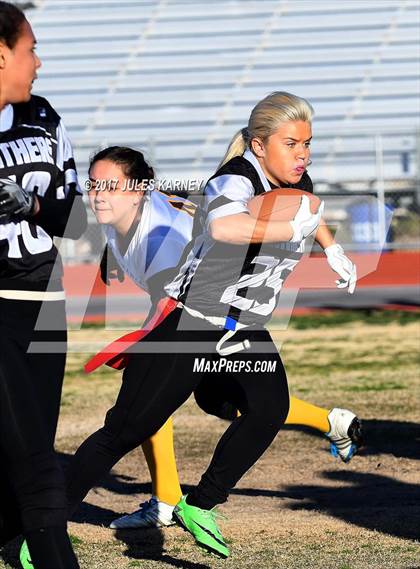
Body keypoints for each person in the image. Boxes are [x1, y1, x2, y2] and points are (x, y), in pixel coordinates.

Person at [66, 91, 356, 559]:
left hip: (241, 328)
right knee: (125, 431)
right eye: (291, 144)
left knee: (267, 410)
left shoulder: (289, 179)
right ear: (259, 146)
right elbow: (226, 228)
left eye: (308, 143)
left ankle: (199, 504)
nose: (302, 154)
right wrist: (292, 231)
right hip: (193, 323)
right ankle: (37, 525)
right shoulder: (233, 180)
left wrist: (330, 246)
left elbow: (309, 207)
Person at [0, 2, 86, 568]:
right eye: (30, 48)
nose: (39, 61)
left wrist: (30, 202)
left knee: (24, 455)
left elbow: (76, 219)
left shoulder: (45, 117)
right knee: (35, 460)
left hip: (45, 303)